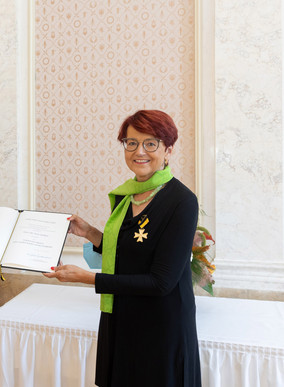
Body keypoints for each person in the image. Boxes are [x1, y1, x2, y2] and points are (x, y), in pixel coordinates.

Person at [44, 110, 201, 386]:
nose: (139, 151)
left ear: (168, 150)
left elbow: (161, 281)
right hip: (122, 318)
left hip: (160, 329)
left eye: (150, 143)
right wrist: (90, 233)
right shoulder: (127, 196)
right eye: (131, 143)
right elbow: (130, 253)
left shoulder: (182, 201)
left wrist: (88, 278)